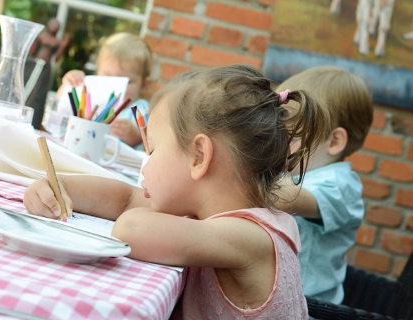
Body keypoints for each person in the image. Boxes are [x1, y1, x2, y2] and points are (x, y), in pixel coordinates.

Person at [24, 64, 331, 318]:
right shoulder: (212, 215)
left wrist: (128, 213)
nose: (146, 164)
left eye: (153, 150)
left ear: (199, 156)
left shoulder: (251, 237)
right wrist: (60, 187)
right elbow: (127, 199)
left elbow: (132, 227)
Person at [274, 66, 374, 304]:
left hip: (308, 306)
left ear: (335, 141)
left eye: (291, 136)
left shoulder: (340, 186)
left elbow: (283, 197)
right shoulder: (297, 174)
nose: (277, 145)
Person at [56, 32, 152, 148]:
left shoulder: (139, 108)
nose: (115, 86)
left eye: (125, 81)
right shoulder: (90, 98)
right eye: (107, 77)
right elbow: (60, 105)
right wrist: (70, 84)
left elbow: (144, 137)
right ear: (97, 73)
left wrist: (132, 133)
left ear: (144, 85)